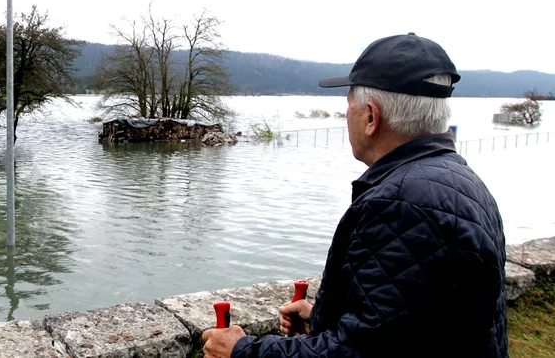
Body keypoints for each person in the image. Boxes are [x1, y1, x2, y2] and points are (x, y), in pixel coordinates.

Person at [202, 33, 508, 358]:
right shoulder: (462, 180)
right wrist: (325, 319)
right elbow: (415, 324)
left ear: (371, 117)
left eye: (349, 105)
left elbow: (358, 353)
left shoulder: (401, 202)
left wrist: (240, 351)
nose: (347, 115)